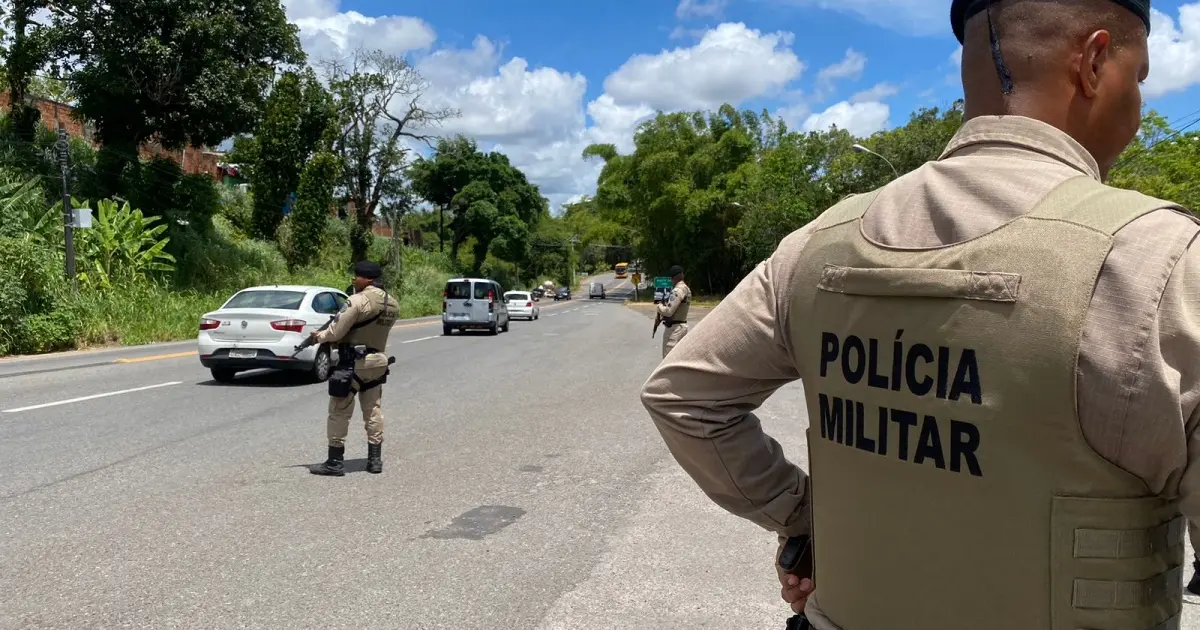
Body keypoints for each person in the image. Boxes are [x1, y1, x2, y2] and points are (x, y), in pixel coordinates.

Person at [641, 0, 1200, 628]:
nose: (1141, 103)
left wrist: (805, 519)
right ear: (1096, 62)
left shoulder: (819, 243)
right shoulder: (1162, 263)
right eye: (1142, 77)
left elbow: (684, 395)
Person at [310, 260, 399, 476]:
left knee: (339, 411)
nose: (353, 280)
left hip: (353, 363)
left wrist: (318, 337)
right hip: (377, 362)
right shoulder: (393, 303)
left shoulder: (357, 301)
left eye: (356, 277)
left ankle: (334, 461)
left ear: (367, 279)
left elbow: (335, 332)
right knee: (373, 410)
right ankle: (375, 460)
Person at [656, 265, 691, 358]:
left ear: (674, 278)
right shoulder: (686, 288)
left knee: (668, 359)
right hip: (682, 326)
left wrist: (659, 306)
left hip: (674, 329)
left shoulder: (678, 290)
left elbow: (668, 311)